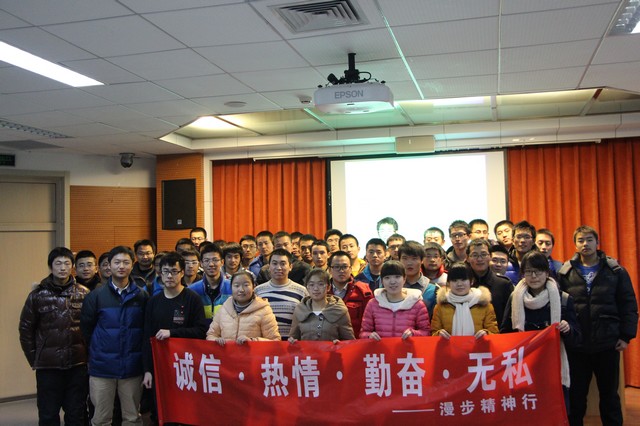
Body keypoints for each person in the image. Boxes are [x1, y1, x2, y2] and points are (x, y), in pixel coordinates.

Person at [557, 225, 638, 426]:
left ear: (597, 242)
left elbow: (628, 304)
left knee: (610, 396)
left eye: (589, 240)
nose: (585, 244)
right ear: (575, 245)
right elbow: (560, 307)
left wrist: (626, 336)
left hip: (607, 344)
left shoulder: (615, 271)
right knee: (576, 398)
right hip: (577, 346)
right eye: (581, 240)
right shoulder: (565, 272)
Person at [501, 251, 581, 412]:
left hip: (553, 367)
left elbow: (577, 339)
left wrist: (567, 329)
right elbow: (505, 333)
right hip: (524, 368)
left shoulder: (563, 299)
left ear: (547, 272)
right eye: (529, 271)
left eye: (538, 271)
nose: (534, 276)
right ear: (522, 274)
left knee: (555, 412)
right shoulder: (514, 298)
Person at [19, 247, 90, 426]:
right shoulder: (37, 295)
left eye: (67, 263)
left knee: (76, 414)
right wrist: (35, 358)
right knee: (48, 414)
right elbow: (26, 329)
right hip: (48, 366)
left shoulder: (84, 293)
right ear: (50, 267)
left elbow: (91, 328)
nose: (63, 268)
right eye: (58, 263)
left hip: (77, 364)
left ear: (72, 267)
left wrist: (88, 356)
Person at [80, 245, 148, 426]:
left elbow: (144, 330)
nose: (121, 266)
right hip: (102, 367)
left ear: (132, 265)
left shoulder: (141, 296)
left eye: (126, 262)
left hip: (132, 367)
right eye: (117, 262)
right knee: (101, 418)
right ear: (109, 265)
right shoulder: (96, 296)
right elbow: (86, 329)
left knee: (132, 418)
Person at [142, 252, 208, 425]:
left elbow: (201, 331)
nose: (169, 276)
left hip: (185, 366)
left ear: (182, 273)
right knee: (160, 412)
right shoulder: (153, 301)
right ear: (160, 273)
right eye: (165, 272)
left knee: (184, 412)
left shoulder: (192, 299)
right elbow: (147, 337)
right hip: (160, 367)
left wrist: (172, 333)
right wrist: (147, 370)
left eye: (174, 271)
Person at [359, 261, 431, 340]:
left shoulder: (417, 304)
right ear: (382, 281)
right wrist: (369, 336)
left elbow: (426, 332)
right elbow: (363, 333)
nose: (392, 282)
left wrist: (413, 334)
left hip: (407, 348)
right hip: (380, 348)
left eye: (397, 277)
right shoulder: (373, 304)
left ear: (404, 279)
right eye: (387, 278)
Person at [207, 271, 281, 344]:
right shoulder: (224, 309)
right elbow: (211, 335)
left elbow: (275, 340)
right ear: (231, 288)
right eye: (236, 286)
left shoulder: (264, 311)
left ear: (253, 287)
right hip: (227, 352)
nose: (241, 290)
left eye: (246, 285)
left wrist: (252, 341)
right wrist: (216, 340)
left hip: (253, 352)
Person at [431, 262, 498, 339]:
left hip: (479, 346)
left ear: (471, 281)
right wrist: (438, 334)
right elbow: (433, 334)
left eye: (463, 279)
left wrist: (487, 334)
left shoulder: (484, 304)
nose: (459, 284)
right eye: (454, 280)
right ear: (448, 283)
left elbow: (495, 334)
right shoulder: (440, 306)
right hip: (449, 347)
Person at [289, 269, 355, 343]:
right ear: (307, 288)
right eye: (311, 285)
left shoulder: (339, 310)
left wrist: (340, 344)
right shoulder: (300, 310)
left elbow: (350, 342)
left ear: (328, 287)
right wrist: (292, 341)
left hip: (332, 350)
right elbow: (293, 337)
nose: (316, 289)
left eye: (320, 284)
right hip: (306, 351)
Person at [254, 249, 308, 339]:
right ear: (269, 267)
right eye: (274, 263)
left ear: (290, 267)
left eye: (283, 264)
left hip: (292, 343)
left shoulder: (302, 291)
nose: (278, 268)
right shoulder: (258, 291)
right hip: (266, 343)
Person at [466, 238, 514, 325]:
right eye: (475, 255)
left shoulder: (504, 284)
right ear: (467, 258)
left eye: (484, 254)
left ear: (490, 257)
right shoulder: (462, 284)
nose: (479, 259)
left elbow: (510, 318)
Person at [327, 251, 373, 337]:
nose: (341, 270)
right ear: (330, 270)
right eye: (337, 267)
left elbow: (370, 322)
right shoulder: (323, 292)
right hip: (329, 341)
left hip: (355, 342)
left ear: (351, 269)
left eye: (345, 267)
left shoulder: (363, 291)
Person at [188, 243, 231, 324]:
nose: (211, 264)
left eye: (215, 260)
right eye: (207, 260)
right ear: (201, 263)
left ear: (222, 262)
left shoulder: (232, 288)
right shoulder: (192, 290)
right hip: (200, 331)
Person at [399, 241, 438, 318]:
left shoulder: (433, 290)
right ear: (399, 260)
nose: (409, 263)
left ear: (422, 260)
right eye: (405, 258)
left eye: (414, 258)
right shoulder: (390, 286)